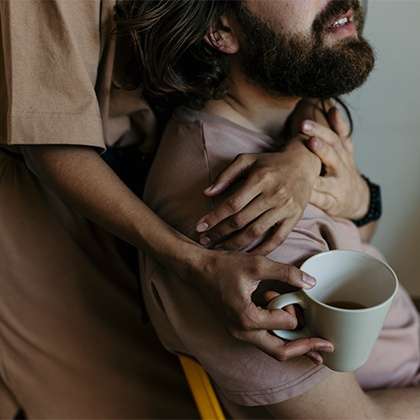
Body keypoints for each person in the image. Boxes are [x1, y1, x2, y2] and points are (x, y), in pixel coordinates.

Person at [0, 0, 337, 418]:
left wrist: (303, 155)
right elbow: (52, 145)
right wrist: (194, 263)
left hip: (163, 169)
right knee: (108, 393)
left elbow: (294, 52)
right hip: (62, 202)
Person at [132, 0, 420, 418]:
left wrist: (341, 185)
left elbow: (353, 242)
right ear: (221, 30)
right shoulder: (250, 219)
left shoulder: (294, 125)